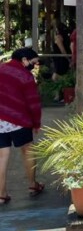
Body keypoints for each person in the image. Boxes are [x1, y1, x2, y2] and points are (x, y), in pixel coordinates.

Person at [0, 47, 45, 204]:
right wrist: (36, 123)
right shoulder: (26, 76)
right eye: (33, 62)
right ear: (24, 60)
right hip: (19, 119)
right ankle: (33, 185)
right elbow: (33, 102)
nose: (34, 65)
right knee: (28, 150)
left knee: (2, 156)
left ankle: (1, 194)